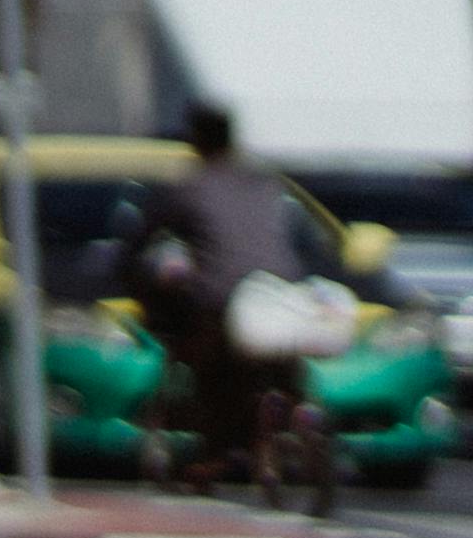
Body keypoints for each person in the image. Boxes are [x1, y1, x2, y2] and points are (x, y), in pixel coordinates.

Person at [125, 99, 342, 487]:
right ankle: (296, 423)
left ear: (196, 140)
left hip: (223, 300)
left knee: (212, 369)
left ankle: (217, 453)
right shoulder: (265, 183)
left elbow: (141, 242)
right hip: (282, 293)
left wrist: (134, 279)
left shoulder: (188, 187)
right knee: (282, 365)